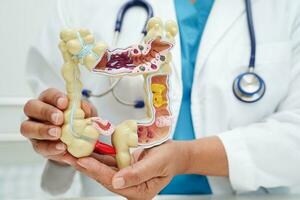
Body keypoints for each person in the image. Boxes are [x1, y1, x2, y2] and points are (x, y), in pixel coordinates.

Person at [20, 0, 300, 199]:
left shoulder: (285, 7)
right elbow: (53, 110)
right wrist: (57, 135)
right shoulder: (80, 5)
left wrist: (188, 158)